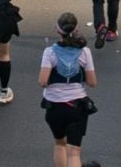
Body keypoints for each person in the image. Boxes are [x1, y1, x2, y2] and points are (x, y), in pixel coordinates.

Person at [39, 12, 98, 166]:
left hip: (54, 106)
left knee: (60, 143)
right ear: (76, 29)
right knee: (74, 151)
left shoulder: (50, 52)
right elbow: (92, 82)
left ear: (57, 30)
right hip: (77, 106)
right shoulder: (84, 52)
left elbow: (43, 81)